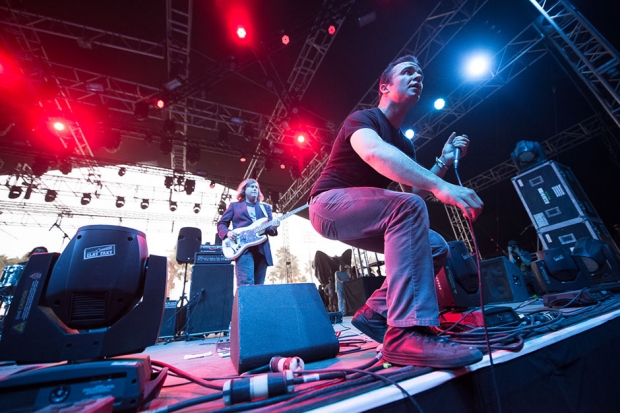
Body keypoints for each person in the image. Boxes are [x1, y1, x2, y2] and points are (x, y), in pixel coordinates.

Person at [307, 55, 484, 369]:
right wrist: (443, 188)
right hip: (328, 205)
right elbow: (374, 153)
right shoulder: (363, 119)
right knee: (409, 209)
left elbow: (413, 195)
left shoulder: (404, 145)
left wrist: (442, 163)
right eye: (407, 71)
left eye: (420, 73)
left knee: (434, 246)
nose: (417, 76)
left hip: (365, 210)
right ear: (384, 86)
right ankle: (405, 334)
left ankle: (377, 313)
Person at [217, 179, 279, 287]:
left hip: (262, 250)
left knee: (259, 287)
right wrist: (228, 233)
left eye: (256, 187)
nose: (255, 189)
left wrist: (273, 226)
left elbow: (269, 230)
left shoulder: (265, 208)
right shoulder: (234, 206)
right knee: (246, 285)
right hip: (243, 249)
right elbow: (221, 224)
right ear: (244, 190)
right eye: (252, 187)